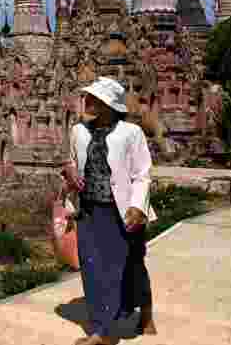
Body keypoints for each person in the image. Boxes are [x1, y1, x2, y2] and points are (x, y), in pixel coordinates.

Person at [61, 77, 157, 345]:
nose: (87, 101)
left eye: (94, 99)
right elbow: (71, 162)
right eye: (88, 97)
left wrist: (138, 207)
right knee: (93, 269)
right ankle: (103, 330)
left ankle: (144, 313)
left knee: (129, 266)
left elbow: (143, 174)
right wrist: (68, 171)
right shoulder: (78, 131)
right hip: (89, 210)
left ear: (108, 105)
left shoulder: (130, 132)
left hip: (122, 211)